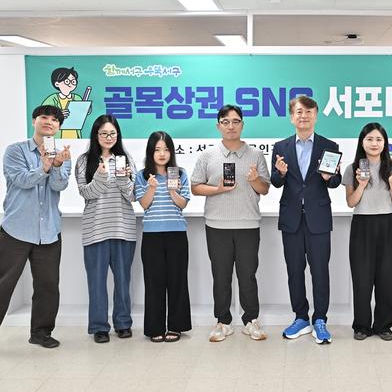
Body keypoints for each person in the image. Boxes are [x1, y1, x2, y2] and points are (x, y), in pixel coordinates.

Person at [191, 105, 271, 342]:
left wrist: (255, 180)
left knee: (248, 275)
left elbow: (264, 189)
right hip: (217, 225)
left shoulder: (256, 155)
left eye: (236, 121)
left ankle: (251, 320)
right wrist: (217, 189)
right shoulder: (207, 155)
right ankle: (223, 321)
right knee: (221, 275)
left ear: (242, 125)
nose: (231, 126)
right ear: (218, 126)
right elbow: (195, 187)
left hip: (248, 224)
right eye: (225, 122)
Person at [271, 95, 341, 344]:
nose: (304, 116)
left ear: (315, 116)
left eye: (309, 112)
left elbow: (335, 182)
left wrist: (329, 178)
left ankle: (320, 319)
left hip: (318, 217)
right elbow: (275, 182)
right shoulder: (280, 147)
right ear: (292, 117)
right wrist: (280, 173)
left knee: (320, 270)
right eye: (299, 112)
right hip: (291, 218)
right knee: (294, 270)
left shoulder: (329, 145)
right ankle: (301, 317)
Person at [0, 106, 71, 348]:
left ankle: (41, 333)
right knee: (3, 284)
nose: (49, 122)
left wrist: (57, 165)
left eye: (54, 119)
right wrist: (44, 167)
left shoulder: (62, 154)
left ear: (59, 127)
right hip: (16, 230)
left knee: (47, 286)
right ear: (34, 121)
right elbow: (21, 180)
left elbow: (59, 187)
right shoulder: (15, 150)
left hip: (49, 231)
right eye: (44, 117)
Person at [75, 115, 136, 344]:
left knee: (123, 281)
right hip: (95, 229)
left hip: (123, 228)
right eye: (104, 134)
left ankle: (123, 323)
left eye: (112, 133)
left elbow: (132, 195)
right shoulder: (84, 161)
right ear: (96, 135)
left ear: (118, 135)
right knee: (97, 283)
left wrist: (123, 179)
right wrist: (100, 176)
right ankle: (99, 327)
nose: (109, 137)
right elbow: (86, 193)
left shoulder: (126, 159)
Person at [342, 123, 392, 341]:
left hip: (387, 223)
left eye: (378, 139)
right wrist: (361, 184)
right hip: (362, 224)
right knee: (362, 278)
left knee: (387, 277)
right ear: (362, 142)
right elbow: (351, 202)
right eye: (369, 139)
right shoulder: (352, 169)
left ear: (385, 143)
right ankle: (361, 326)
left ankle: (384, 326)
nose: (374, 143)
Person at [135, 131, 192, 343]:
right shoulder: (142, 176)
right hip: (152, 235)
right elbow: (144, 204)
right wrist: (151, 187)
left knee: (177, 281)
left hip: (176, 234)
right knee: (154, 283)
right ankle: (154, 327)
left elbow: (183, 204)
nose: (162, 154)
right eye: (157, 149)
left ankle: (176, 326)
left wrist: (172, 190)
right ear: (150, 152)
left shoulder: (180, 173)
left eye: (166, 149)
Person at [40, 67, 87, 139]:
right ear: (57, 83)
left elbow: (81, 113)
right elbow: (42, 115)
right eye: (67, 81)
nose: (70, 84)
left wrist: (86, 109)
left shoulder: (77, 98)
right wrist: (58, 115)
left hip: (75, 135)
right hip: (57, 137)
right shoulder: (52, 99)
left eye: (73, 81)